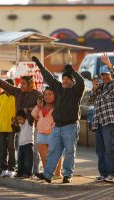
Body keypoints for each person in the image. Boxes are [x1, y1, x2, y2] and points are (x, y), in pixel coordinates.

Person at [32, 56, 85, 184]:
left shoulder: (76, 91)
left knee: (69, 151)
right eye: (64, 78)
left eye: (68, 79)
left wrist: (72, 71)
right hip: (58, 126)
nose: (65, 80)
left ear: (72, 81)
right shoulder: (58, 88)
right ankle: (47, 175)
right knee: (53, 151)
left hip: (70, 126)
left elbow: (81, 81)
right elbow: (47, 76)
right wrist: (39, 63)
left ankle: (67, 175)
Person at [0, 71, 42, 175]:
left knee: (33, 150)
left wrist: (29, 110)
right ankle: (21, 170)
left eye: (23, 84)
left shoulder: (37, 94)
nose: (21, 85)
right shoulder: (17, 92)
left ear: (30, 84)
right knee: (21, 148)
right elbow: (6, 85)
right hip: (19, 125)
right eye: (20, 83)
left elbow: (42, 106)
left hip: (33, 126)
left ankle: (34, 172)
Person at [89, 53, 114, 183]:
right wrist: (94, 88)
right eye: (102, 75)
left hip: (109, 121)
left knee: (110, 148)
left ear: (110, 74)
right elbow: (91, 100)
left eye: (106, 74)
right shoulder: (100, 87)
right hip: (98, 122)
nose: (104, 77)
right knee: (100, 150)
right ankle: (104, 173)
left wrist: (109, 64)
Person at [31, 87, 62, 179]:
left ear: (54, 95)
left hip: (53, 133)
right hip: (41, 133)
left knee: (56, 154)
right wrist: (38, 106)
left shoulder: (57, 106)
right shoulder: (41, 106)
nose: (47, 96)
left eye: (50, 94)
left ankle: (57, 174)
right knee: (43, 155)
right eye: (45, 94)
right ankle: (47, 174)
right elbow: (33, 115)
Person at [0, 79, 16, 177]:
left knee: (11, 148)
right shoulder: (0, 98)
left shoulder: (16, 97)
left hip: (12, 128)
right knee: (2, 149)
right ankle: (3, 168)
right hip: (1, 128)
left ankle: (11, 168)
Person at [14, 109, 35, 178]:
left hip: (28, 144)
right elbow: (15, 130)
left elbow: (31, 118)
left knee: (28, 161)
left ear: (25, 117)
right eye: (18, 120)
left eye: (20, 119)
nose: (19, 121)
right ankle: (20, 172)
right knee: (20, 160)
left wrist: (27, 112)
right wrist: (12, 123)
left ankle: (27, 173)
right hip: (21, 145)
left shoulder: (29, 123)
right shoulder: (20, 125)